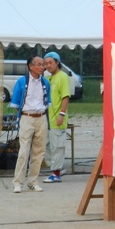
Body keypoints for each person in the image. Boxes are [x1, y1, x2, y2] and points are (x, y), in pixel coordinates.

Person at [9, 56, 50, 193]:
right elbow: (15, 103)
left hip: (41, 117)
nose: (41, 67)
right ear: (30, 66)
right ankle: (18, 182)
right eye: (38, 64)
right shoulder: (21, 82)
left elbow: (47, 101)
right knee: (24, 151)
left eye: (42, 64)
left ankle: (33, 180)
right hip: (27, 117)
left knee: (39, 151)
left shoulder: (45, 82)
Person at [43, 51, 70, 183]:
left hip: (57, 117)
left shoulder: (63, 77)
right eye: (46, 63)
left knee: (58, 146)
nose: (48, 66)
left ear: (57, 63)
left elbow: (65, 96)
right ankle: (55, 167)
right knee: (45, 145)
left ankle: (56, 172)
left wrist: (62, 114)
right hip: (47, 117)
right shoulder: (48, 78)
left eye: (50, 63)